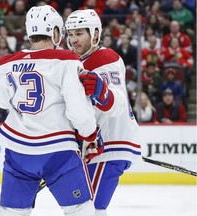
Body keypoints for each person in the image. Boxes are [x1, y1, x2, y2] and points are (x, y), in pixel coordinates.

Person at [0, 5, 103, 216]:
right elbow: (78, 111)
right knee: (80, 209)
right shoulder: (66, 60)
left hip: (18, 151)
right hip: (57, 151)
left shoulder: (5, 63)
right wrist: (90, 134)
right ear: (55, 31)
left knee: (11, 211)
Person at [65, 9, 142, 216]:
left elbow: (116, 101)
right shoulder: (75, 63)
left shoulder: (104, 58)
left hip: (108, 145)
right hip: (96, 148)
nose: (73, 39)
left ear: (95, 34)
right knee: (86, 208)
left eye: (79, 33)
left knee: (88, 208)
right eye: (70, 34)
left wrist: (103, 92)